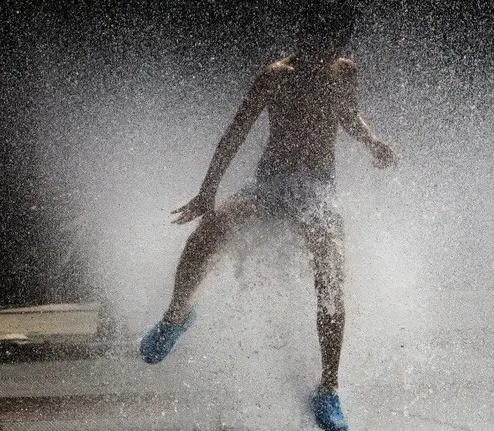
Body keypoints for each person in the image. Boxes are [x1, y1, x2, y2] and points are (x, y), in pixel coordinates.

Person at [139, 2, 395, 430]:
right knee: (211, 228)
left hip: (317, 190)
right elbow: (236, 131)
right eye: (315, 46)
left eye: (331, 48)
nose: (322, 57)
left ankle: (328, 389)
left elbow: (347, 116)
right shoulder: (276, 76)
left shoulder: (344, 72)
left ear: (340, 46)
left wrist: (373, 143)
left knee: (330, 271)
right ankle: (176, 316)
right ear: (303, 39)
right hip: (272, 184)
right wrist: (208, 191)